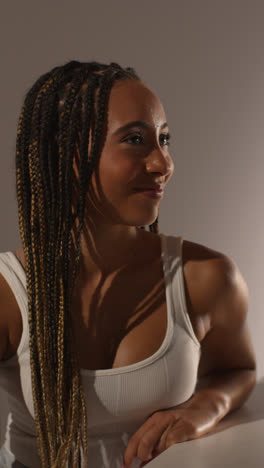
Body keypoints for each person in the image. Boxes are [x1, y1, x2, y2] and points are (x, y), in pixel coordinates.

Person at [0, 60, 256, 468]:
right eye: (135, 140)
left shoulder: (205, 277)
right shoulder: (8, 292)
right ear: (64, 153)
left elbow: (238, 370)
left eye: (165, 139)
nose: (163, 164)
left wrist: (205, 408)